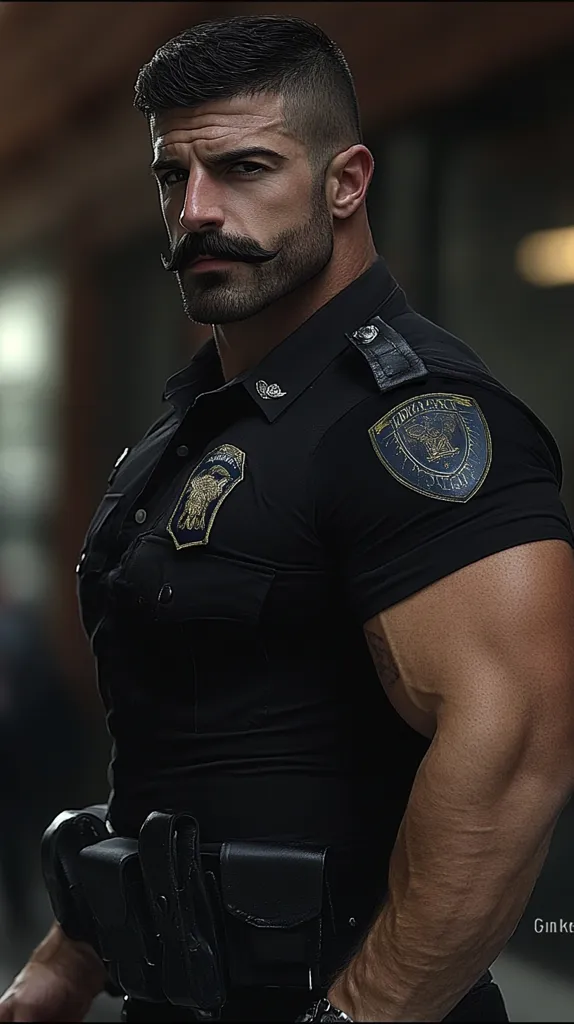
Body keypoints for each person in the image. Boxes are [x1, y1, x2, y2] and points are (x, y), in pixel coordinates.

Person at [2, 13, 574, 1023]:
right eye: (173, 177)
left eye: (244, 167)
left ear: (346, 182)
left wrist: (361, 1014)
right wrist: (64, 964)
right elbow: (194, 739)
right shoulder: (195, 430)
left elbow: (515, 751)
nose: (198, 211)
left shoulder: (415, 422)